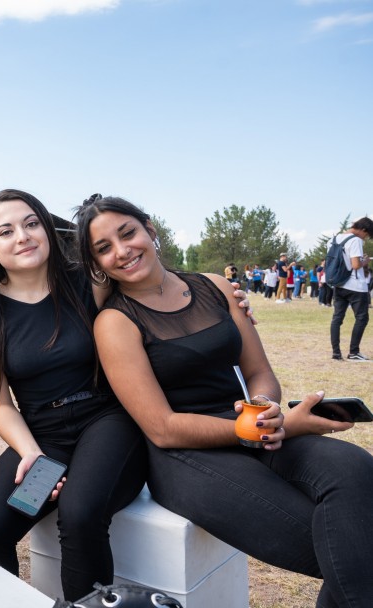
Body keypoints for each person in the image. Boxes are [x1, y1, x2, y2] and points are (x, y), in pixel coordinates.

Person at [76, 195, 373, 608]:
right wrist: (279, 425)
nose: (122, 251)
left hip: (253, 425)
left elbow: (258, 371)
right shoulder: (115, 322)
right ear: (97, 263)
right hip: (186, 454)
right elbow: (162, 428)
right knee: (347, 544)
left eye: (128, 233)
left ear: (150, 229)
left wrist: (267, 407)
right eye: (104, 248)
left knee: (356, 467)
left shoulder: (214, 286)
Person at [0, 190, 146, 601]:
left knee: (79, 513)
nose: (23, 236)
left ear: (46, 228)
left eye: (31, 223)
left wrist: (219, 294)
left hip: (108, 421)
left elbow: (152, 285)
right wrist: (32, 454)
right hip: (44, 441)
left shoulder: (92, 282)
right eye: (6, 231)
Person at [329, 217, 373, 361]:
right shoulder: (356, 240)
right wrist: (365, 261)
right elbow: (355, 265)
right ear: (363, 230)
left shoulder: (334, 239)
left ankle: (336, 353)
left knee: (337, 318)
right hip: (355, 285)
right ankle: (354, 352)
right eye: (366, 235)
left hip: (338, 283)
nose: (365, 238)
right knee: (362, 318)